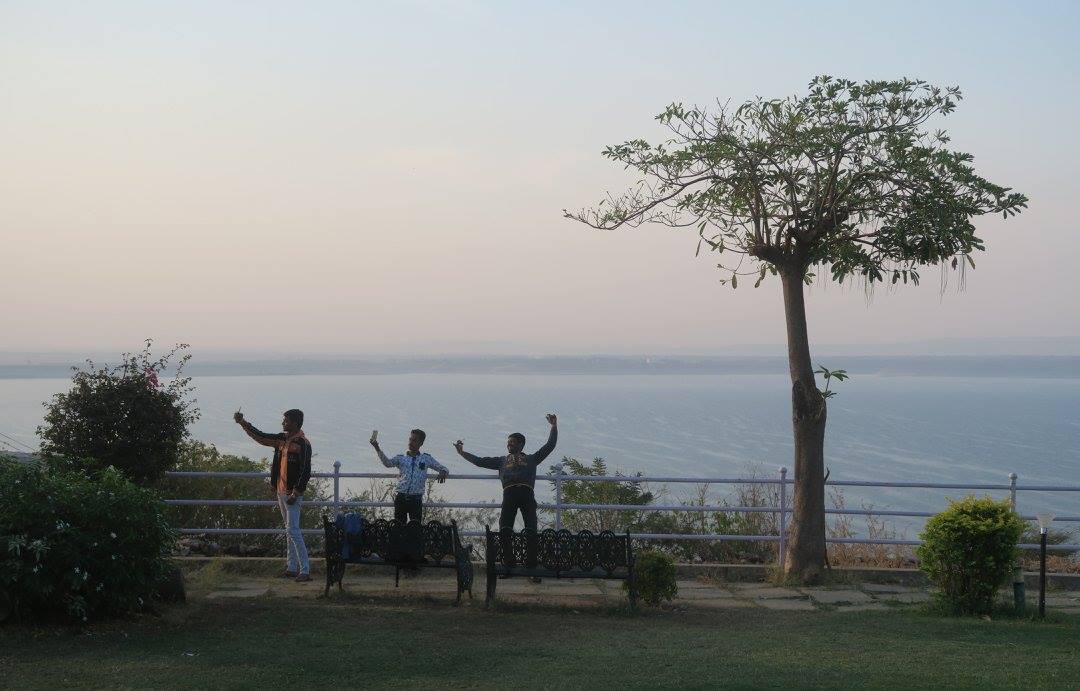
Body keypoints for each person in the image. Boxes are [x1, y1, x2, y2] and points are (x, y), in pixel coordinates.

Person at [454, 414, 557, 577]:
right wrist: (462, 453)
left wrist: (553, 426)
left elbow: (549, 446)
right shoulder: (501, 461)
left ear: (521, 444)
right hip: (509, 495)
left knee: (531, 530)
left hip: (527, 494)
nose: (508, 444)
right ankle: (508, 565)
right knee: (505, 529)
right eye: (508, 442)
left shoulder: (532, 459)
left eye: (512, 442)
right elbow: (479, 461)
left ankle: (531, 567)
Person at [234, 407, 313, 582]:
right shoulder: (281, 439)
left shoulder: (303, 443)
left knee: (293, 530)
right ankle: (291, 567)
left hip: (292, 494)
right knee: (289, 530)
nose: (283, 422)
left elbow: (305, 470)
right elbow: (261, 436)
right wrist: (243, 423)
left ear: (295, 423)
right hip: (281, 491)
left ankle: (305, 570)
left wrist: (296, 493)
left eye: (286, 420)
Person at [370, 428, 449, 525]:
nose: (411, 442)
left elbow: (443, 468)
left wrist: (443, 471)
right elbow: (387, 463)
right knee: (399, 527)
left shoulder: (426, 458)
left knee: (415, 528)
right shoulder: (401, 458)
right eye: (410, 439)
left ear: (421, 443)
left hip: (416, 499)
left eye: (414, 440)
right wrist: (377, 448)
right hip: (401, 498)